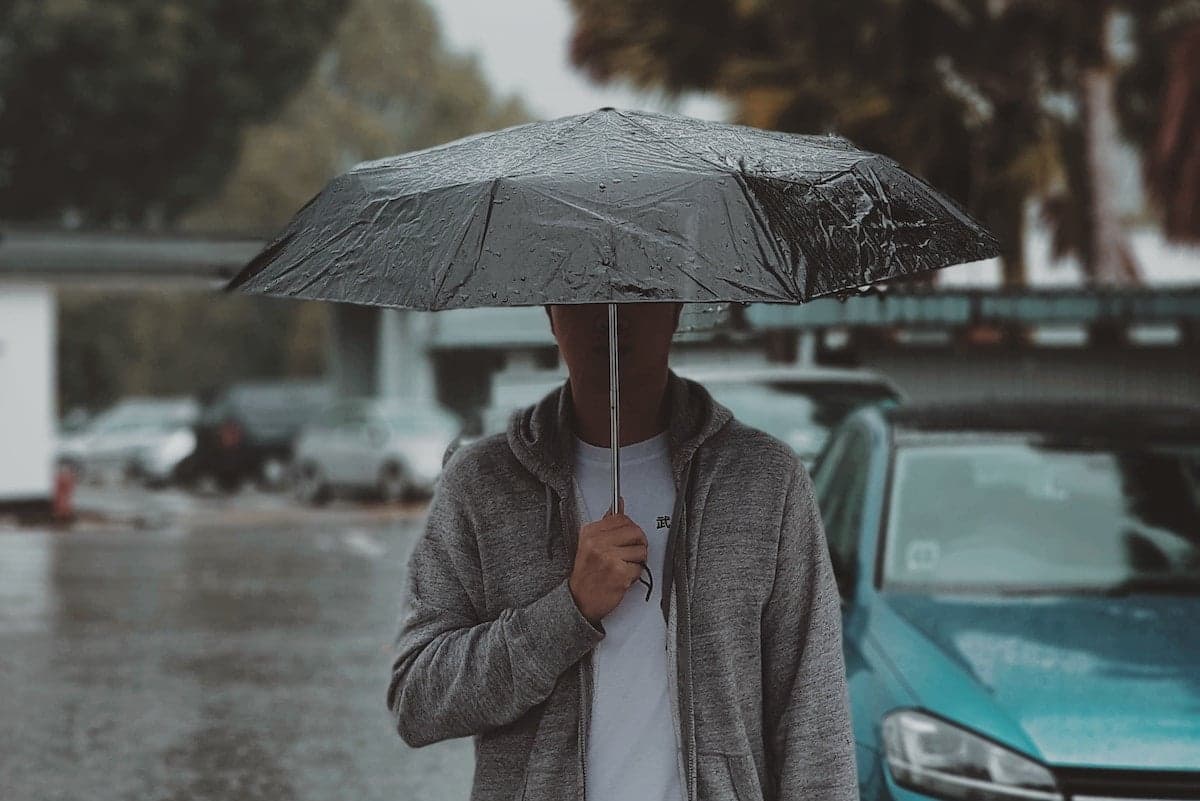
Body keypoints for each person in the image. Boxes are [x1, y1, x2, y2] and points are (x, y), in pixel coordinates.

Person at [387, 301, 858, 801]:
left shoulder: (765, 479)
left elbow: (813, 716)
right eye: (580, 290)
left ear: (675, 306)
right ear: (550, 313)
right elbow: (418, 700)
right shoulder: (482, 484)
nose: (611, 315)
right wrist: (567, 611)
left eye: (638, 290)